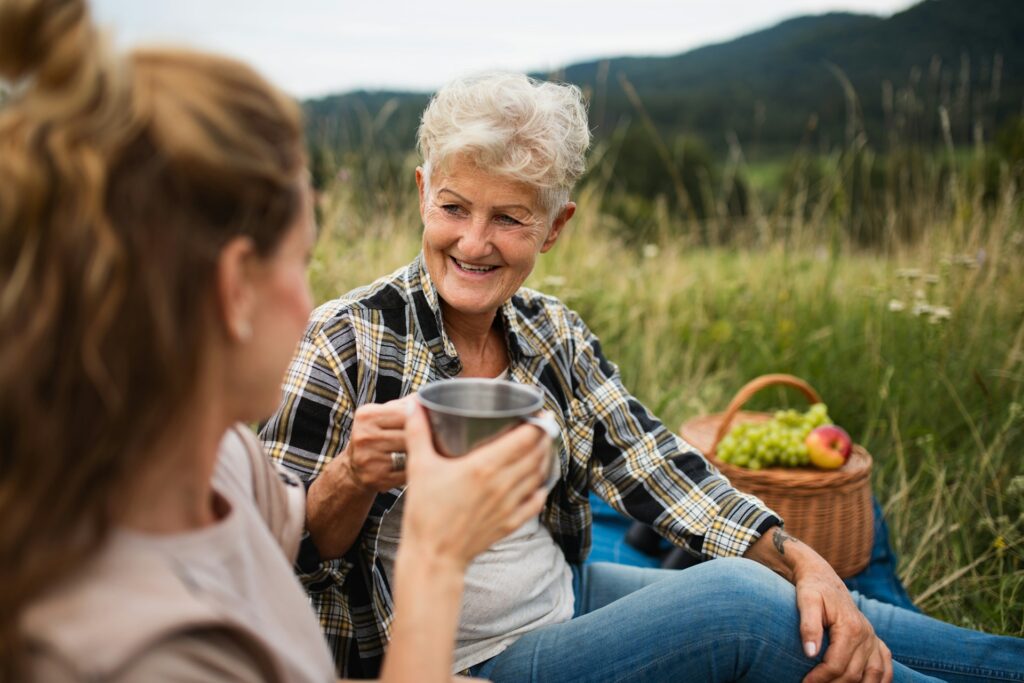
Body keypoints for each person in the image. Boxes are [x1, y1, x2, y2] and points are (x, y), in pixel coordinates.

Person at [261, 71, 1024, 682]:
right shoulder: (346, 339)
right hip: (466, 657)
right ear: (423, 192)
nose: (474, 241)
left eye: (510, 218)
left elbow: (655, 463)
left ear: (555, 226)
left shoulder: (549, 331)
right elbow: (279, 554)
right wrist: (350, 479)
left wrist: (803, 557)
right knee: (741, 606)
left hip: (564, 593)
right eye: (455, 207)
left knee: (817, 598)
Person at [0, 1, 552, 681]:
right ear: (235, 288)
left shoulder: (217, 458)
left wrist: (356, 465)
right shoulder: (140, 652)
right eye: (300, 259)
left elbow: (295, 540)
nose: (310, 298)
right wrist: (435, 561)